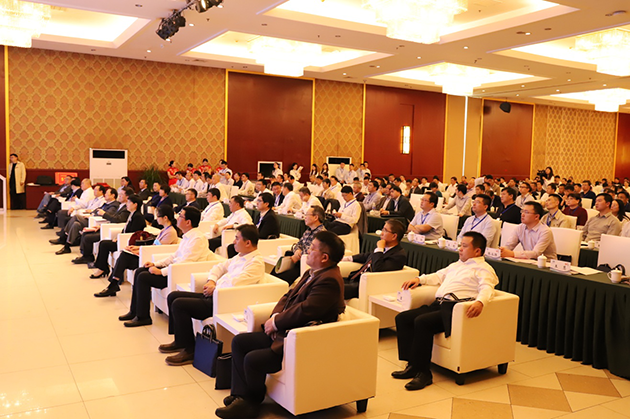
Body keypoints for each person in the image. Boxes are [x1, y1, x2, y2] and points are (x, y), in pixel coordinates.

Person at [215, 231, 345, 419]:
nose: (308, 251)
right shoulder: (312, 272)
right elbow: (288, 297)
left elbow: (306, 311)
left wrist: (277, 324)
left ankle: (251, 403)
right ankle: (240, 395)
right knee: (240, 342)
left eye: (312, 248)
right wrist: (274, 318)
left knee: (253, 359)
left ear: (324, 257)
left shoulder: (329, 280)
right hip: (286, 330)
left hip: (299, 340)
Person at [392, 232, 498, 391]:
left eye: (464, 246)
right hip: (438, 305)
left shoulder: (483, 269)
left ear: (477, 251)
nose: (460, 249)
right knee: (403, 318)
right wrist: (419, 279)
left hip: (454, 310)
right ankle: (412, 365)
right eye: (460, 245)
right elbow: (438, 276)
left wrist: (480, 302)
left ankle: (424, 374)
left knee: (422, 322)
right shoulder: (456, 265)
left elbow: (487, 287)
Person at [160, 224, 265, 365]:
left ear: (248, 243)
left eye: (237, 238)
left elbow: (235, 284)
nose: (233, 241)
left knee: (179, 305)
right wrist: (211, 281)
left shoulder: (255, 263)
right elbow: (218, 267)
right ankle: (180, 341)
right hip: (215, 295)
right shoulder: (240, 256)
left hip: (224, 302)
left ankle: (190, 350)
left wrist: (214, 288)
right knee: (173, 296)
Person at [120, 206, 212, 327]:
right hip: (174, 270)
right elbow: (174, 256)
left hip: (180, 274)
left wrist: (161, 272)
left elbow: (184, 263)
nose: (177, 218)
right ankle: (134, 311)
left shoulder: (197, 239)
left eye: (180, 216)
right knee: (140, 271)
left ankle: (143, 317)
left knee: (143, 277)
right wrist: (156, 264)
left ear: (188, 222)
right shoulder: (187, 236)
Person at [94, 205, 180, 297]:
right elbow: (154, 246)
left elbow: (158, 249)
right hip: (149, 254)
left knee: (124, 258)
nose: (156, 219)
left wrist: (140, 251)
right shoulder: (164, 230)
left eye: (158, 216)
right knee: (124, 255)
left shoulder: (171, 232)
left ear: (165, 218)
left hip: (154, 259)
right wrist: (136, 248)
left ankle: (113, 284)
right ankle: (114, 283)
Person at [341, 219, 406, 300]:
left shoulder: (399, 256)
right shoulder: (385, 248)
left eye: (385, 230)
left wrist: (379, 249)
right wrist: (346, 258)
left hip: (366, 286)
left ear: (394, 236)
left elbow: (377, 268)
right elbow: (367, 256)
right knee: (329, 282)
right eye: (382, 229)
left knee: (333, 289)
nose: (381, 233)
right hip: (355, 279)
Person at [72, 187, 134, 265]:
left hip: (112, 229)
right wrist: (100, 226)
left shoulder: (126, 208)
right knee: (86, 233)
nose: (119, 196)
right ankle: (86, 255)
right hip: (107, 226)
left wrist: (104, 214)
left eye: (121, 194)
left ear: (127, 197)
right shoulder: (120, 205)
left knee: (88, 237)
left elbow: (118, 219)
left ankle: (87, 257)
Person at [89, 195, 147, 277]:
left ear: (135, 204)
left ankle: (102, 269)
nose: (127, 204)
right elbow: (125, 229)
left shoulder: (138, 216)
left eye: (129, 202)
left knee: (104, 244)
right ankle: (102, 267)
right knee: (104, 243)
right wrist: (117, 237)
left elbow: (134, 233)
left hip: (128, 242)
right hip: (123, 239)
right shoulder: (132, 214)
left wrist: (120, 238)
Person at [52, 187, 120, 255]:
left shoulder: (114, 205)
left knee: (76, 217)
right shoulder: (106, 203)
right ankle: (67, 246)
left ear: (113, 195)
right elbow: (96, 210)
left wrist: (93, 215)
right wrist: (93, 213)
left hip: (97, 222)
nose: (105, 194)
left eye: (107, 193)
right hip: (91, 219)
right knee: (76, 224)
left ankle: (64, 235)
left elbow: (105, 214)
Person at [270, 206, 326, 285]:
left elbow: (312, 251)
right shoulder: (308, 230)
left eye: (307, 215)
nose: (305, 217)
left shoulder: (321, 234)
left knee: (282, 277)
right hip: (297, 260)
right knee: (276, 272)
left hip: (305, 264)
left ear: (315, 217)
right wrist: (297, 250)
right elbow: (298, 244)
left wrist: (298, 255)